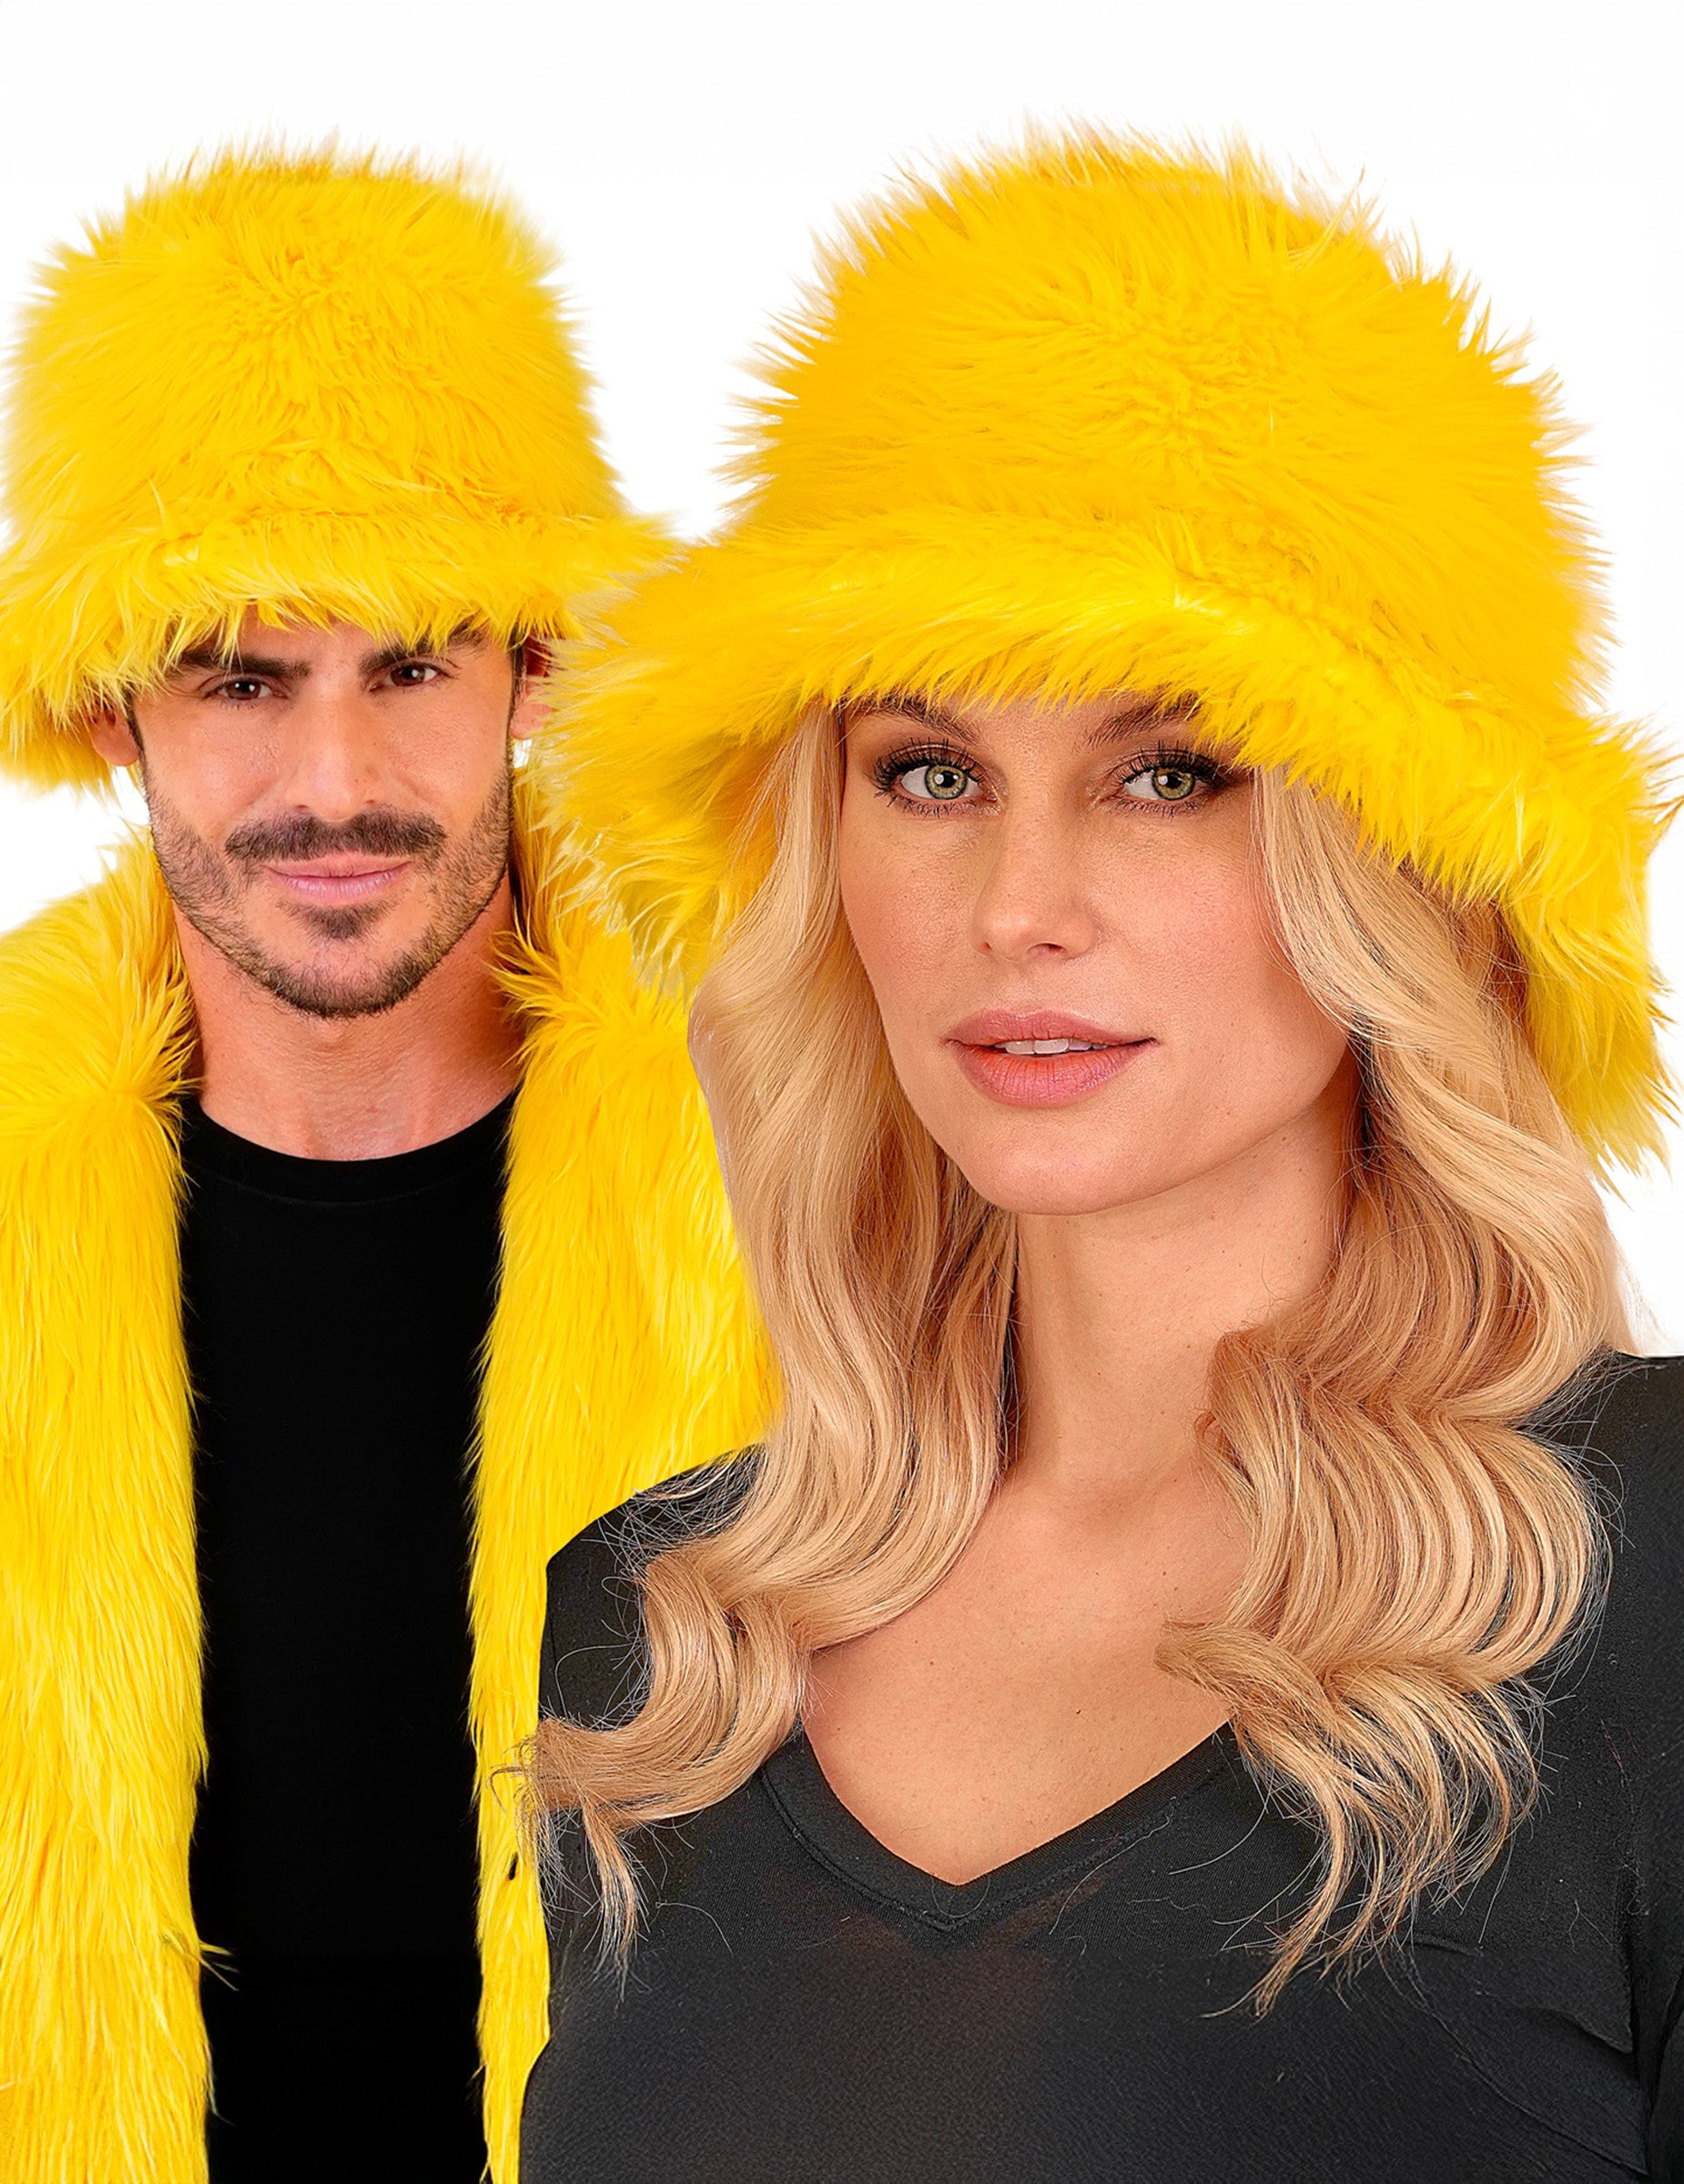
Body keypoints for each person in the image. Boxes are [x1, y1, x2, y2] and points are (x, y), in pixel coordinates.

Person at [522, 137, 1681, 2179]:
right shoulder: (669, 1637)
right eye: (928, 771)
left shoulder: (1644, 1568)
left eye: (1168, 773)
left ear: (1402, 869)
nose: (1016, 907)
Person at [0, 151, 764, 2183]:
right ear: (112, 714)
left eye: (410, 666)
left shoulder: (800, 1173)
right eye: (239, 680)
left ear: (532, 672)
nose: (332, 784)